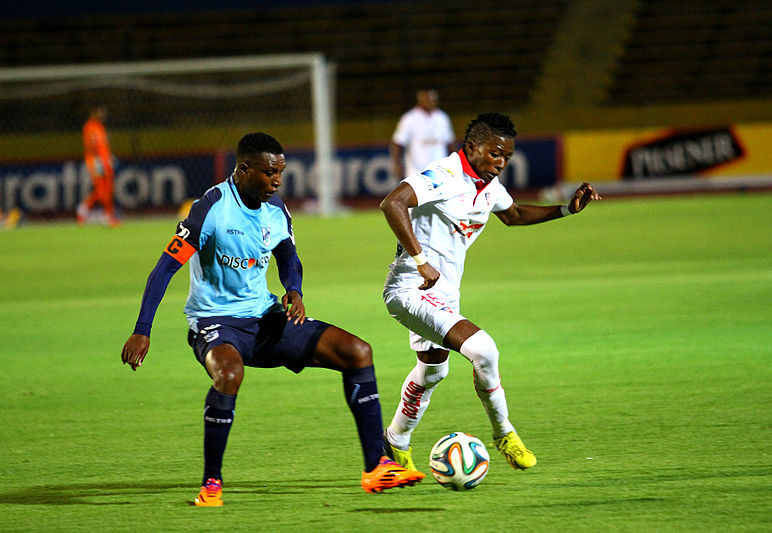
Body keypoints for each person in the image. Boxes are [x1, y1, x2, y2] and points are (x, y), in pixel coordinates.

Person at [121, 132, 424, 506]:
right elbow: (165, 268)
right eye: (268, 172)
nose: (277, 180)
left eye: (280, 172)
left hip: (265, 318)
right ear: (244, 169)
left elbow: (288, 257)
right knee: (229, 375)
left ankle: (376, 466)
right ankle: (211, 484)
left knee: (357, 351)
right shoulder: (211, 207)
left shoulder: (275, 209)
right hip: (215, 322)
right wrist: (142, 330)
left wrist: (293, 290)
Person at [379, 113, 600, 472]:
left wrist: (565, 210)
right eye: (494, 154)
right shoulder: (444, 175)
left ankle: (394, 441)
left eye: (506, 157)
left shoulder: (488, 185)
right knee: (484, 350)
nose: (500, 163)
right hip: (410, 287)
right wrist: (420, 260)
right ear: (471, 147)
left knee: (433, 370)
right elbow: (393, 203)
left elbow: (513, 214)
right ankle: (505, 434)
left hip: (443, 293)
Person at [390, 89, 457, 179]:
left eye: (434, 99)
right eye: (429, 99)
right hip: (416, 172)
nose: (432, 102)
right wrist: (396, 163)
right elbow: (398, 142)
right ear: (421, 99)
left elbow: (450, 143)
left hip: (440, 171)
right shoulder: (409, 118)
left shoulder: (442, 117)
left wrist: (455, 164)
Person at [78, 105, 119, 226]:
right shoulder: (89, 127)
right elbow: (92, 146)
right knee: (102, 190)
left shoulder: (99, 127)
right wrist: (98, 162)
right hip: (96, 162)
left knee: (108, 188)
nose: (102, 115)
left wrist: (109, 158)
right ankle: (105, 214)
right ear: (93, 113)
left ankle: (88, 210)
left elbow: (103, 146)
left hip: (104, 161)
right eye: (100, 113)